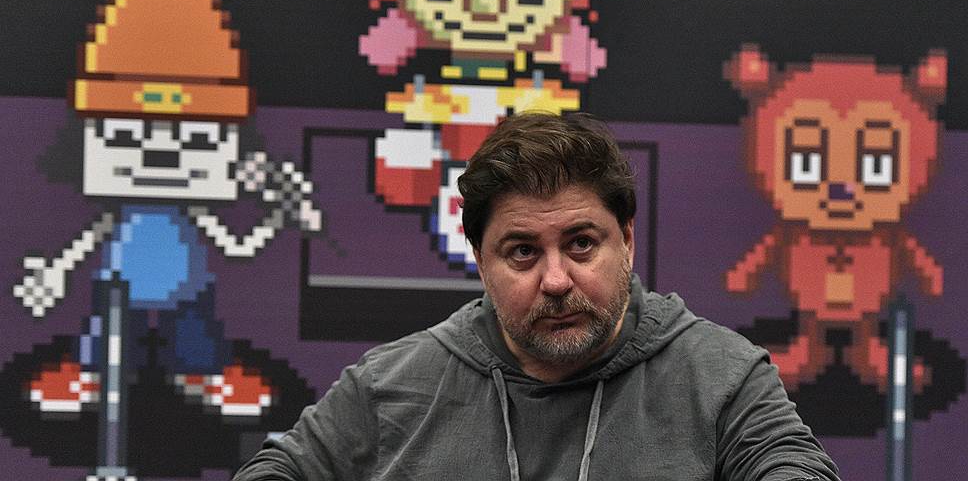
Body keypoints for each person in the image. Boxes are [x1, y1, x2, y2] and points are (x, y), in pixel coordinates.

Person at [234, 112, 840, 480]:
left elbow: (792, 466)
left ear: (627, 239)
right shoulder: (391, 385)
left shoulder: (722, 376)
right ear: (480, 260)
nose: (555, 280)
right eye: (523, 252)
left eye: (581, 244)